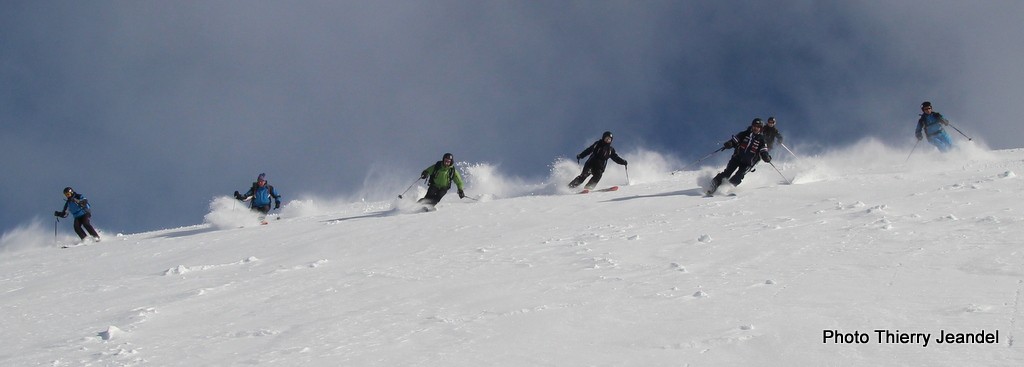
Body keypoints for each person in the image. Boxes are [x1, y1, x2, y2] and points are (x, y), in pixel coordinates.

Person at [708, 118, 772, 194]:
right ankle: (712, 186)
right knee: (727, 173)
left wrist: (766, 156)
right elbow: (734, 141)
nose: (756, 128)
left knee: (739, 176)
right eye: (754, 126)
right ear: (752, 126)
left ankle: (726, 188)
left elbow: (763, 150)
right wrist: (729, 144)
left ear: (760, 129)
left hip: (748, 163)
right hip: (737, 158)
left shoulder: (761, 139)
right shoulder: (744, 134)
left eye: (758, 127)